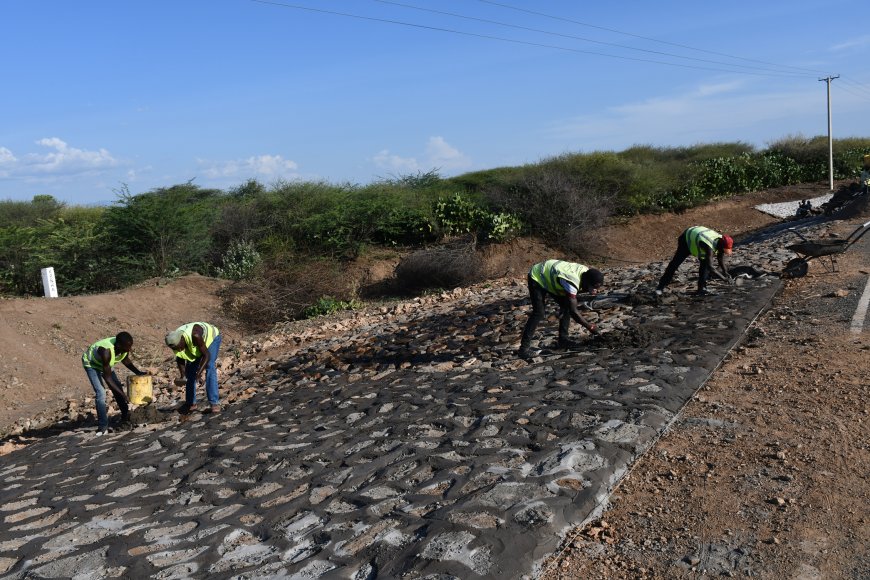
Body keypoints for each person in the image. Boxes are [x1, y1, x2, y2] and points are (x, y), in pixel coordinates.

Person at [518, 260, 604, 359]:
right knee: (539, 313)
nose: (594, 292)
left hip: (553, 276)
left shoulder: (586, 273)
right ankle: (523, 349)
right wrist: (591, 327)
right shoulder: (572, 281)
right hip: (537, 276)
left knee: (566, 305)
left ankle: (563, 340)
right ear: (586, 282)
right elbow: (574, 312)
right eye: (592, 287)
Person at [82, 331, 148, 434]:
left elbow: (125, 360)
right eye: (127, 347)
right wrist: (124, 395)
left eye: (130, 347)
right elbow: (108, 379)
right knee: (101, 393)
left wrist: (138, 372)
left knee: (117, 387)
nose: (129, 349)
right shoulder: (106, 351)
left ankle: (126, 416)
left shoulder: (124, 346)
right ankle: (102, 427)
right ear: (119, 345)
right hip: (92, 365)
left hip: (105, 364)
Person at [655, 226, 733, 297]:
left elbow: (720, 258)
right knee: (675, 263)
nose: (724, 251)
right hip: (686, 240)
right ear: (720, 246)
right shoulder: (709, 246)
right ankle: (660, 287)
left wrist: (725, 272)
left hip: (698, 239)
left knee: (705, 263)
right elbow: (711, 267)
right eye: (724, 249)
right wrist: (724, 279)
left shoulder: (720, 241)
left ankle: (702, 289)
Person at [165, 322, 222, 414]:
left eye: (179, 347)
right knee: (190, 371)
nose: (179, 350)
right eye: (175, 349)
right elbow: (180, 357)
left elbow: (206, 355)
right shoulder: (175, 340)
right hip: (196, 345)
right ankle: (190, 403)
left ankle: (214, 403)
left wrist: (198, 374)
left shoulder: (195, 335)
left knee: (210, 366)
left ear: (182, 340)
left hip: (212, 339)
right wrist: (183, 375)